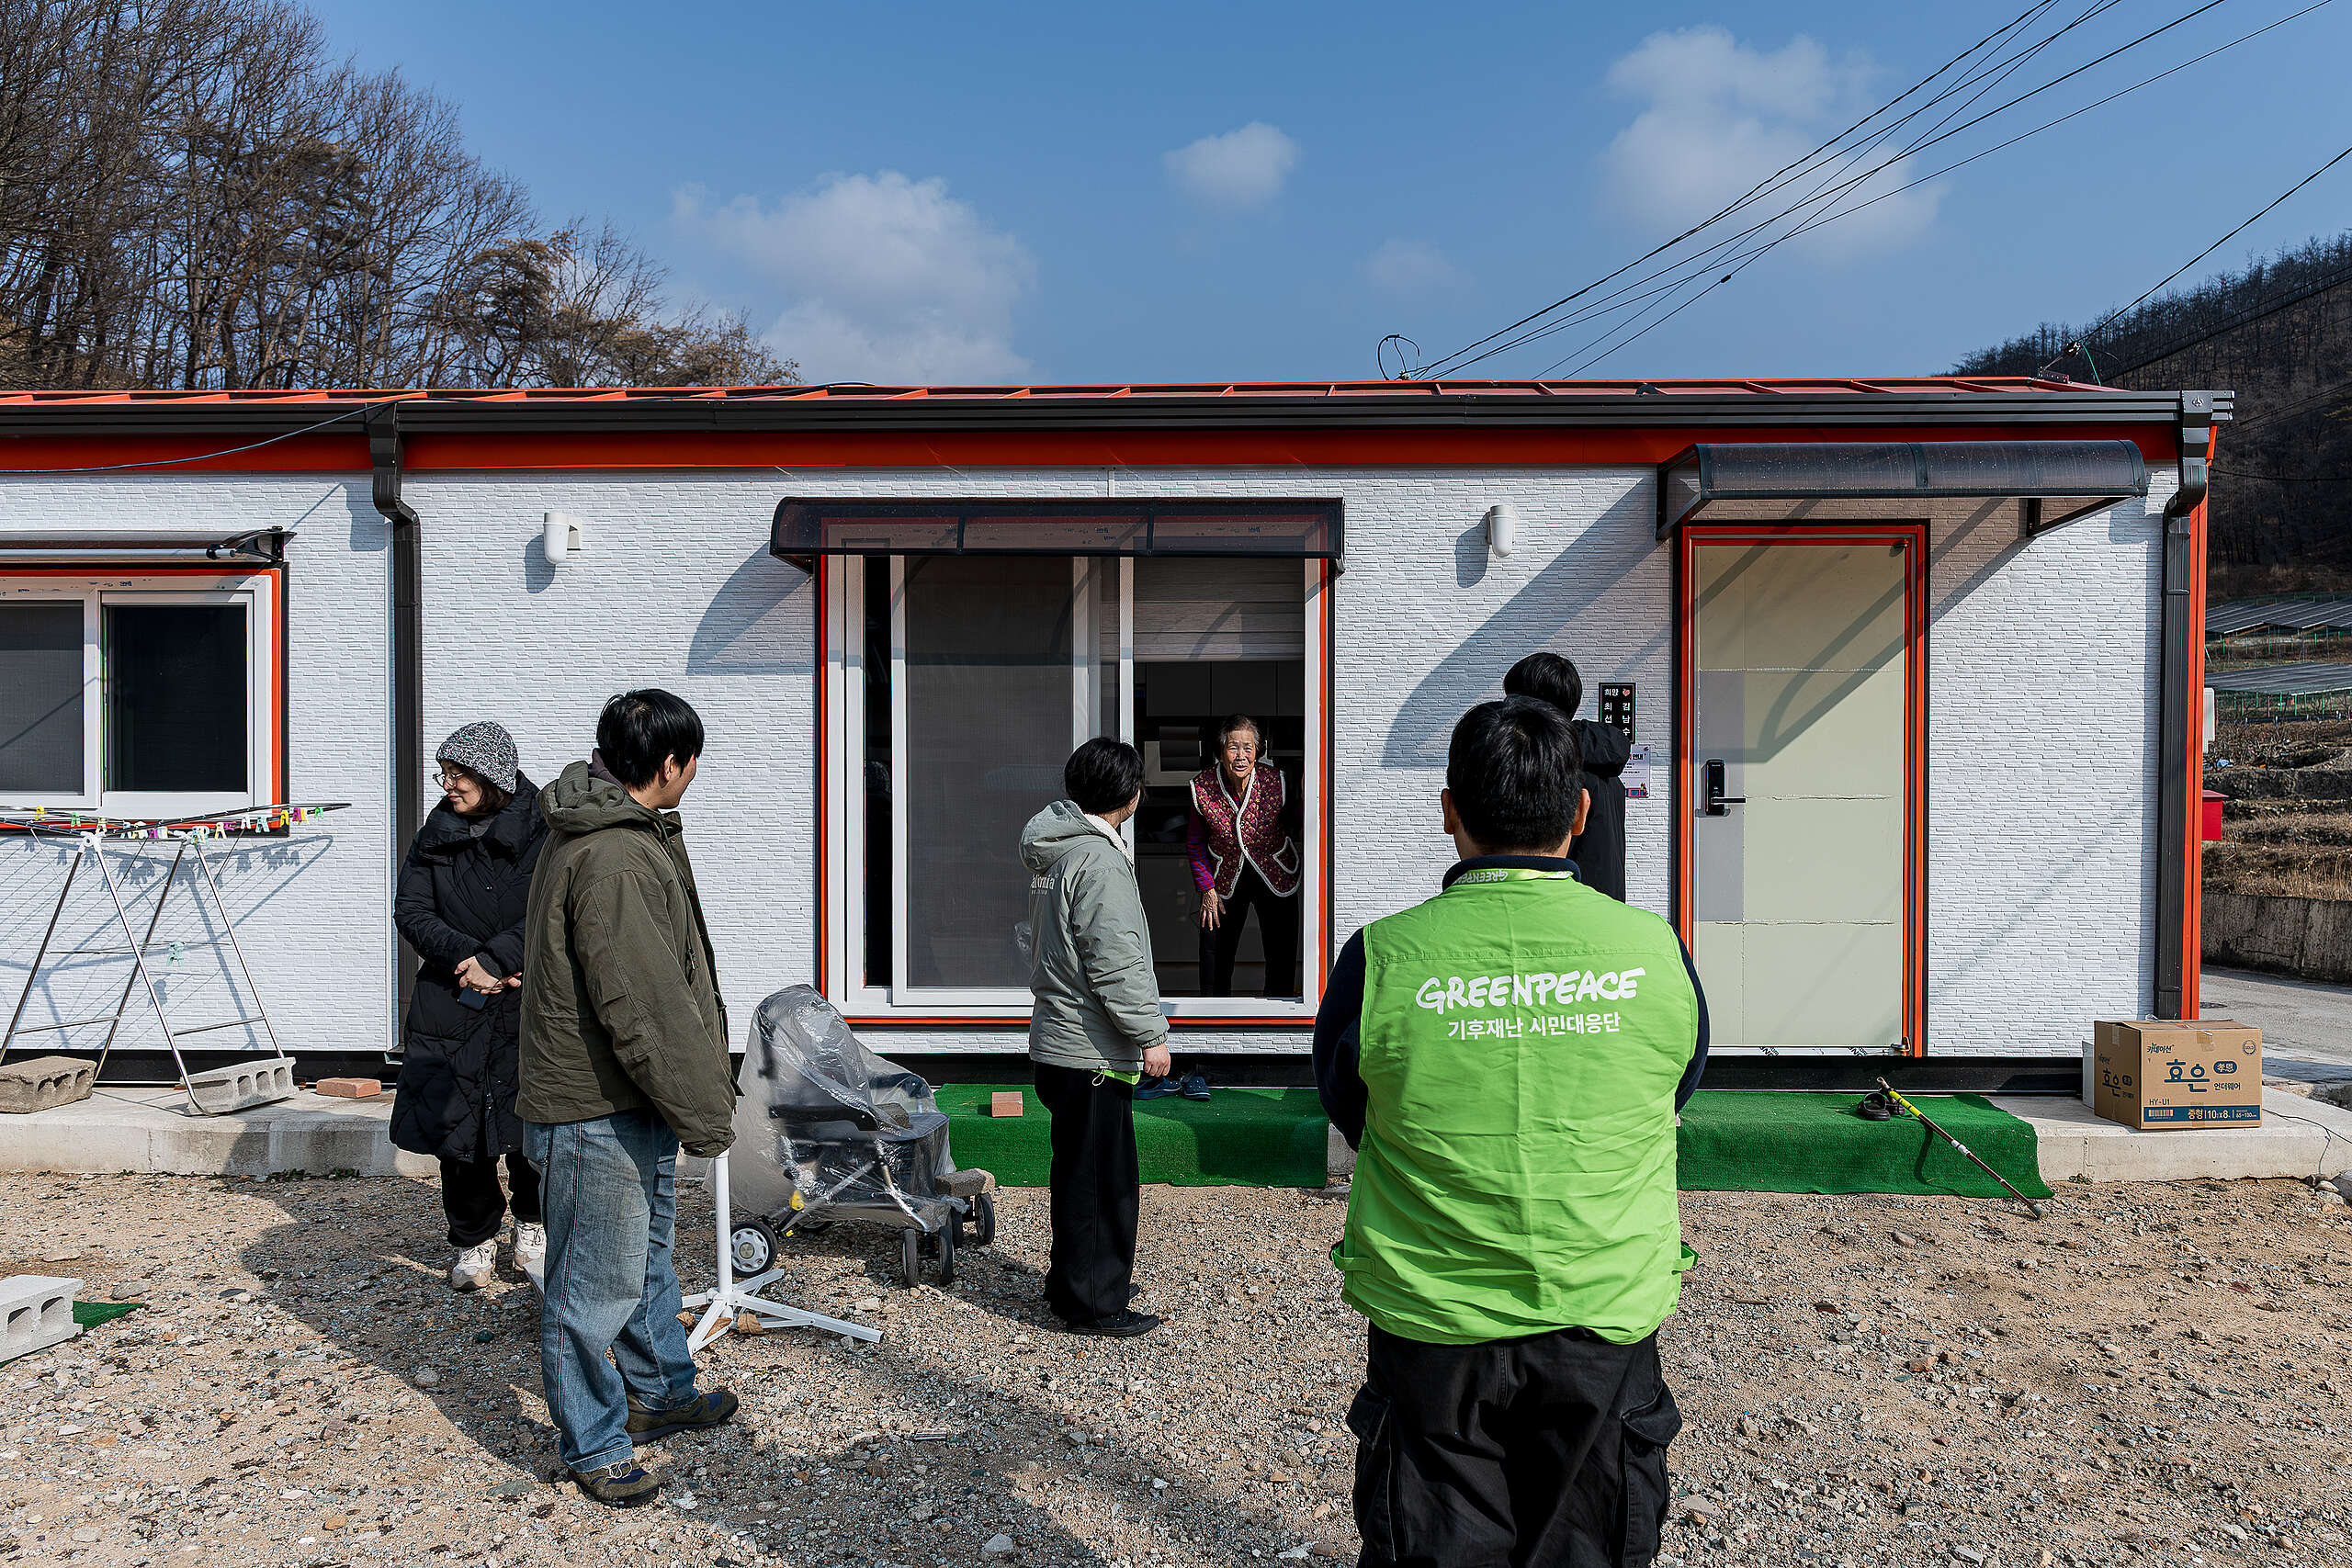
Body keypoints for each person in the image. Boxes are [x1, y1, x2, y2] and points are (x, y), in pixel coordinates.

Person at [1314, 697, 1709, 1568]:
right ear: (1579, 811)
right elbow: (1670, 1093)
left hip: (1435, 1321)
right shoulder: (1658, 952)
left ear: (1449, 810)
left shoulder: (1381, 956)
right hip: (1601, 1310)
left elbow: (1350, 1105)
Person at [518, 689, 740, 1509]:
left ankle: (662, 1391)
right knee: (592, 1284)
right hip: (595, 1102)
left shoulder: (616, 834)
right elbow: (643, 1004)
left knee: (642, 1257)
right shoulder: (613, 853)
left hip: (625, 1095)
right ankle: (595, 1441)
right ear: (672, 764)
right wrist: (708, 1110)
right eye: (693, 765)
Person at [1020, 737, 1171, 1338]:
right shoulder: (1100, 860)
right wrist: (1151, 1034)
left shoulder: (1059, 850)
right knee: (1104, 1182)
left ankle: (1075, 1282)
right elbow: (1114, 960)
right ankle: (1093, 1301)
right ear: (1129, 795)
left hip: (1060, 1040)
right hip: (1091, 1048)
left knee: (1078, 1174)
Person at [391, 722, 548, 1292]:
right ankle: (473, 1238)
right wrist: (467, 959)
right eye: (445, 774)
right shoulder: (436, 833)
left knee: (532, 1124)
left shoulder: (544, 828)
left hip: (525, 994)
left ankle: (534, 1229)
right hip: (451, 998)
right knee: (459, 1132)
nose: (448, 784)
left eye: (459, 774)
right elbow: (410, 909)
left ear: (494, 776)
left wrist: (501, 959)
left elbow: (553, 908)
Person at [1187, 714, 1304, 996]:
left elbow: (1301, 824)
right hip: (1223, 879)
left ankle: (1279, 1014)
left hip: (1276, 874)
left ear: (1257, 752)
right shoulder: (1201, 787)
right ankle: (1212, 1018)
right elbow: (1194, 842)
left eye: (1248, 748)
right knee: (1215, 955)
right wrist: (1206, 888)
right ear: (1221, 751)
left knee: (1281, 954)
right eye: (1233, 747)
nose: (1241, 756)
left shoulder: (1278, 781)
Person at [1505, 651, 1633, 903]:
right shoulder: (1602, 765)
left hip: (1563, 907)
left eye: (1513, 701)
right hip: (1605, 903)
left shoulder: (1555, 769)